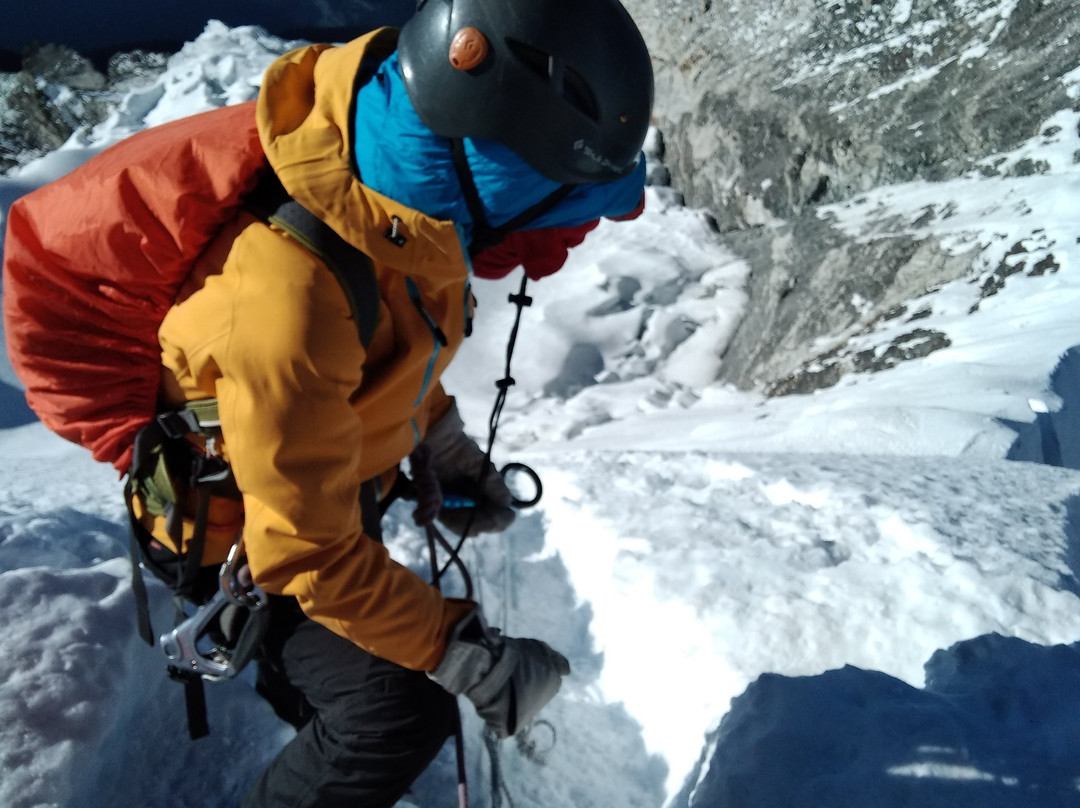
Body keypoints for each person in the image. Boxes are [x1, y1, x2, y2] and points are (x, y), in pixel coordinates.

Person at [3, 0, 654, 804]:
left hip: (328, 492)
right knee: (394, 714)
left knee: (355, 678)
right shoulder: (287, 296)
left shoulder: (399, 207)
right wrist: (468, 657)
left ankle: (311, 712)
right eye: (561, 205)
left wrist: (440, 441)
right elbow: (304, 554)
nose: (565, 239)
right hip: (244, 540)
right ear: (495, 165)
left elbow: (396, 352)